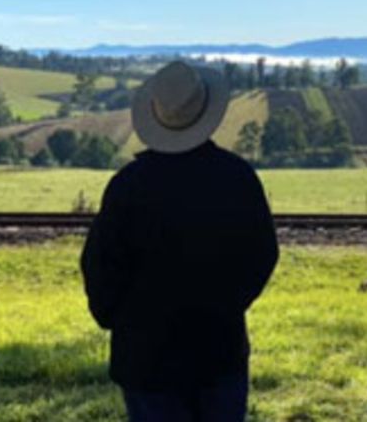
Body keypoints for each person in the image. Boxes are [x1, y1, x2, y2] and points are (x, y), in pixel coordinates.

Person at [81, 60, 279, 422]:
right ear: (207, 114)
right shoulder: (237, 178)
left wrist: (120, 320)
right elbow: (262, 255)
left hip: (146, 360)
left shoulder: (127, 185)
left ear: (156, 117)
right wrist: (228, 306)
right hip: (219, 351)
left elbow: (100, 267)